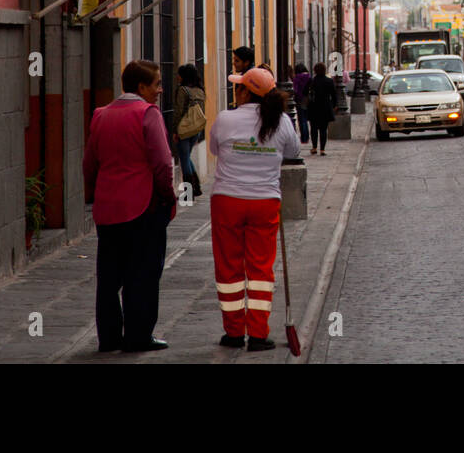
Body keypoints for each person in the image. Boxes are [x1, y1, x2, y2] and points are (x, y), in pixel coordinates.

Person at [83, 60, 177, 353]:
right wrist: (167, 196)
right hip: (142, 206)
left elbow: (89, 163)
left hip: (108, 208)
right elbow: (162, 163)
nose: (160, 90)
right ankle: (138, 336)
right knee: (143, 273)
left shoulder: (100, 115)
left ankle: (109, 337)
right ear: (141, 87)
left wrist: (95, 193)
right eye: (157, 84)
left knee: (109, 277)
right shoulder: (148, 114)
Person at [208, 67, 301, 351]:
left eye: (238, 87)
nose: (236, 92)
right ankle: (259, 334)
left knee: (229, 268)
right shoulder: (282, 121)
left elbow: (213, 149)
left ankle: (234, 333)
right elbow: (293, 153)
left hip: (227, 201)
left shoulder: (225, 119)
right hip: (264, 201)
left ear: (246, 92)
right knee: (261, 268)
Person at [172, 64, 206, 198]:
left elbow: (179, 111)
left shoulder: (183, 90)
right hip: (196, 129)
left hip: (185, 129)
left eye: (179, 74)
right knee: (186, 157)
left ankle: (189, 192)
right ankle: (196, 187)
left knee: (184, 158)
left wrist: (175, 130)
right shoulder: (200, 90)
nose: (177, 77)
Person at [305, 62, 338, 156]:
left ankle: (314, 147)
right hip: (325, 108)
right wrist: (334, 105)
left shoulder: (311, 81)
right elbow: (334, 95)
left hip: (313, 108)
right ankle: (322, 150)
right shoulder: (329, 81)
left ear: (315, 70)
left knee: (314, 129)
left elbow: (305, 92)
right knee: (323, 129)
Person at [292, 63, 311, 145]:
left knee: (301, 119)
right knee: (306, 119)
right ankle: (307, 137)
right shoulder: (309, 77)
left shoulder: (297, 78)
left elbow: (295, 90)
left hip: (300, 99)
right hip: (308, 99)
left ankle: (304, 138)